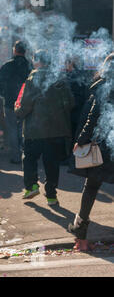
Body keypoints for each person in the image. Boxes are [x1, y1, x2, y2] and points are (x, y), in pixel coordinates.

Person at [15, 50, 74, 205]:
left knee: (29, 159)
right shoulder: (60, 78)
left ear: (37, 61)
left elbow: (26, 105)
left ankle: (32, 185)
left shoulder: (33, 77)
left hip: (35, 130)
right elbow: (70, 103)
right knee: (52, 163)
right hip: (56, 130)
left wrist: (18, 112)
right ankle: (51, 195)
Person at [68, 53, 114, 251]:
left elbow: (93, 117)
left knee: (92, 187)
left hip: (103, 146)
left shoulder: (103, 88)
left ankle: (81, 237)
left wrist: (81, 141)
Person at [0, 41, 32, 164]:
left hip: (9, 102)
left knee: (12, 129)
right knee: (23, 129)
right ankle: (26, 156)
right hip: (25, 102)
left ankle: (16, 156)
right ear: (25, 51)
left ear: (15, 50)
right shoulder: (29, 66)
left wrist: (4, 94)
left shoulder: (7, 65)